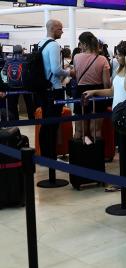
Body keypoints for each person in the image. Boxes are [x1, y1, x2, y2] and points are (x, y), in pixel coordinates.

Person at [83, 41, 126, 191]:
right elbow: (112, 91)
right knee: (124, 148)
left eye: (120, 55)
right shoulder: (120, 69)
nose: (117, 57)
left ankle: (124, 182)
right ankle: (125, 179)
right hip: (118, 114)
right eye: (117, 54)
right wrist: (95, 92)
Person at [38, 19, 75, 174]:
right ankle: (51, 158)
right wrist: (70, 72)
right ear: (53, 29)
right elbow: (56, 69)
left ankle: (46, 157)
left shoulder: (41, 43)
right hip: (54, 89)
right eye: (60, 29)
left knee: (46, 125)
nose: (62, 31)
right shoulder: (53, 45)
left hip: (44, 89)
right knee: (52, 126)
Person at [72, 31, 111, 139]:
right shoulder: (102, 59)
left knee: (79, 129)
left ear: (84, 44)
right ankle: (96, 154)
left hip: (81, 93)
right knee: (96, 130)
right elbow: (106, 83)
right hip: (97, 93)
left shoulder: (76, 57)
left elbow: (76, 74)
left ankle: (79, 155)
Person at [1, 45, 35, 120]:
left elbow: (4, 72)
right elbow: (30, 72)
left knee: (13, 105)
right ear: (21, 51)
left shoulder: (8, 60)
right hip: (25, 85)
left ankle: (15, 120)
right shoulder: (26, 59)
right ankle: (32, 119)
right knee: (29, 103)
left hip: (12, 86)